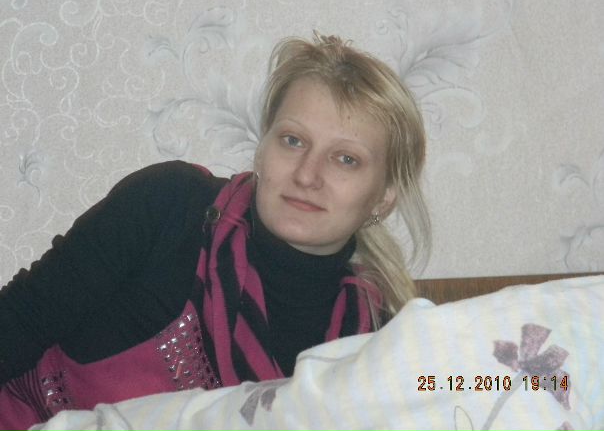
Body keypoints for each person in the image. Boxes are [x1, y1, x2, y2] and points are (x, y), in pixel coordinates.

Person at [0, 33, 431, 430]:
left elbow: (463, 384)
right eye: (293, 140)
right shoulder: (170, 207)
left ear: (383, 197)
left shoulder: (374, 340)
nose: (306, 175)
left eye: (346, 159)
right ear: (262, 148)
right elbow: (17, 322)